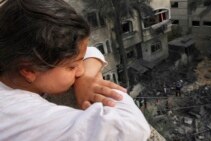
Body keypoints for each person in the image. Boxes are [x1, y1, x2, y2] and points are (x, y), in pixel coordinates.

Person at [0, 0, 150, 141]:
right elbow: (133, 129)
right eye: (71, 67)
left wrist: (86, 78)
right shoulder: (25, 118)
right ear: (28, 71)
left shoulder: (11, 63)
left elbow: (90, 52)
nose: (80, 71)